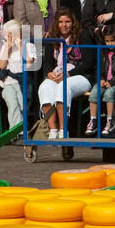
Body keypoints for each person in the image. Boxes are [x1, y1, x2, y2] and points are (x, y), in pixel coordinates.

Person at [37, 8, 92, 140]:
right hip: (58, 73)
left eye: (67, 21)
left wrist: (69, 73)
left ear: (73, 22)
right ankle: (53, 130)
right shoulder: (52, 36)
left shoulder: (82, 35)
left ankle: (63, 130)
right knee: (44, 87)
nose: (64, 25)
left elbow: (89, 62)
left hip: (82, 75)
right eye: (61, 22)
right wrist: (49, 73)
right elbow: (48, 62)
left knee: (63, 87)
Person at [85, 25, 115, 136]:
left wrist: (111, 82)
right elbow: (98, 68)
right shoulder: (102, 52)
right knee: (94, 93)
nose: (110, 43)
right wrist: (101, 79)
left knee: (109, 93)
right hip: (104, 80)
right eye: (107, 41)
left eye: (112, 41)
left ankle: (110, 121)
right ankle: (93, 120)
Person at [0, 18, 38, 135]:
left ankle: (20, 130)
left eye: (9, 34)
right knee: (12, 104)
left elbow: (28, 64)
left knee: (22, 104)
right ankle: (16, 132)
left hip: (24, 81)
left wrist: (20, 46)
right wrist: (7, 49)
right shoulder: (5, 47)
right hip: (8, 82)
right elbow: (2, 66)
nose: (6, 37)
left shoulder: (29, 46)